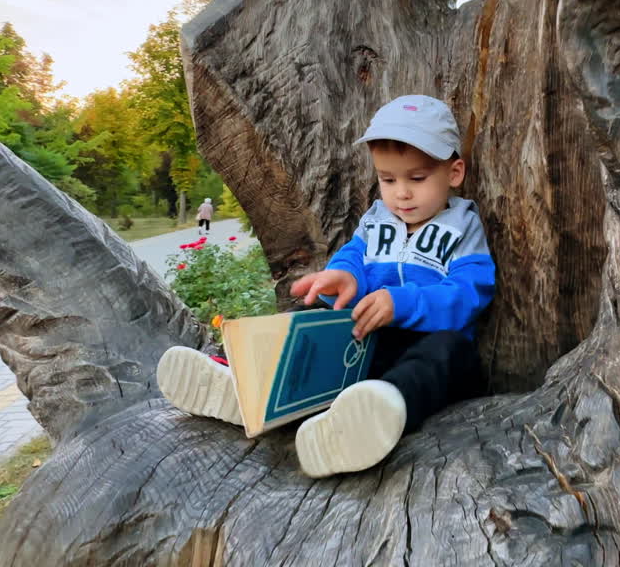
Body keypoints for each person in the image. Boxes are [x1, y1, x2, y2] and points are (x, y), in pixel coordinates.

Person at [158, 95, 495, 478]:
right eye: (388, 179)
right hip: (367, 338)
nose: (401, 192)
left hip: (425, 343)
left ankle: (373, 416)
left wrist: (402, 302)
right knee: (313, 319)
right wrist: (345, 275)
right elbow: (354, 255)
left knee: (448, 352)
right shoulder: (378, 218)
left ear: (453, 173)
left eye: (417, 179)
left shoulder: (463, 226)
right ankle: (248, 385)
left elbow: (471, 292)